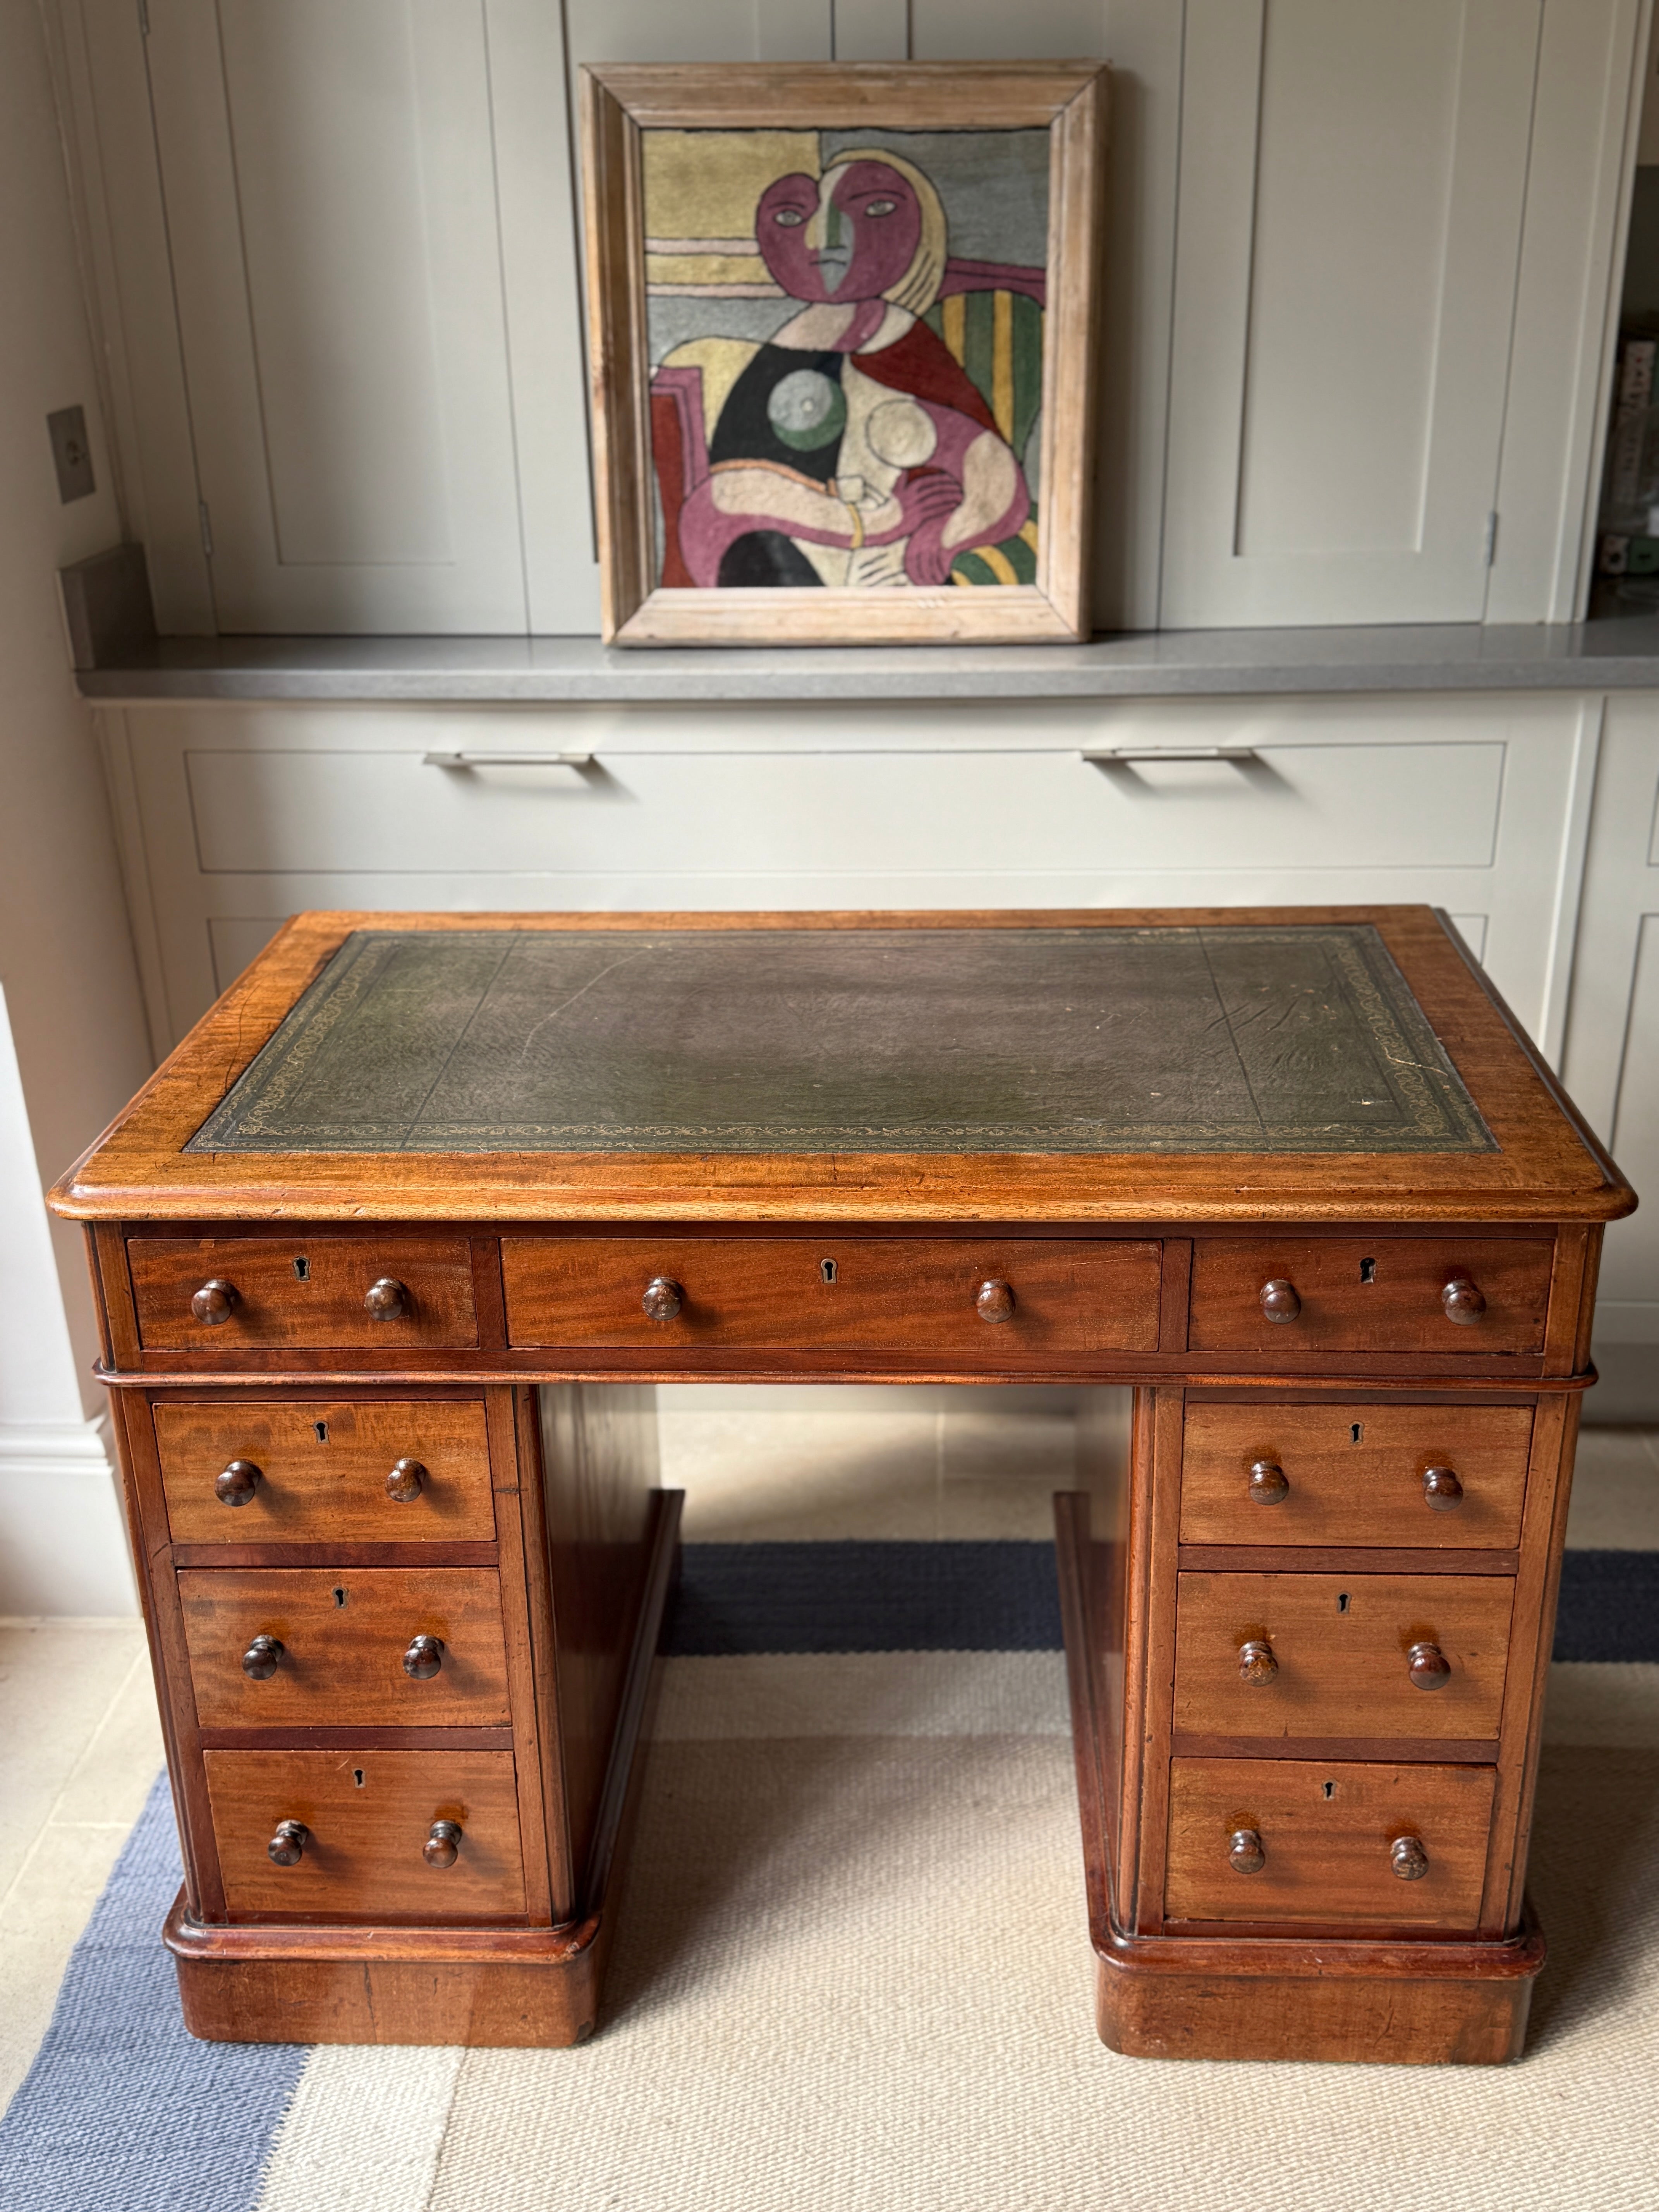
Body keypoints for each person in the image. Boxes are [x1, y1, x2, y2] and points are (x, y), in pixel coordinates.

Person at [670, 150, 1030, 589]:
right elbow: (729, 495)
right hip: (794, 557)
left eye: (875, 210)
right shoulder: (786, 352)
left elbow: (993, 474)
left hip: (895, 567)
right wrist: (874, 522)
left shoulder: (903, 344)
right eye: (792, 217)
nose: (826, 241)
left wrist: (945, 536)